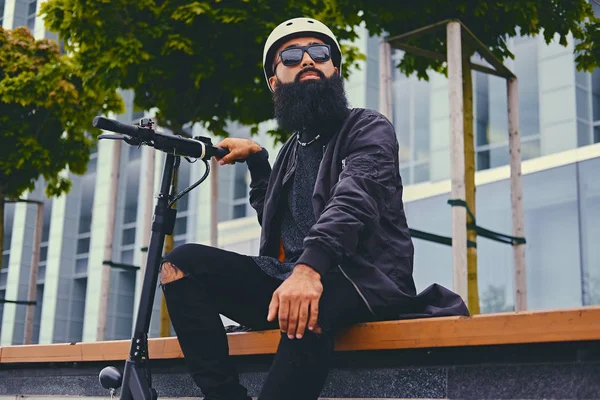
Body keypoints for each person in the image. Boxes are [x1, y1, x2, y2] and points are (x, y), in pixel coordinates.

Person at [160, 17, 468, 400]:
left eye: (319, 53)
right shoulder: (292, 150)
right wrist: (258, 160)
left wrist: (308, 269)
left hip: (362, 278)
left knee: (308, 306)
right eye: (291, 56)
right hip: (295, 276)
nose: (307, 60)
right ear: (275, 81)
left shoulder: (367, 127)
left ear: (333, 70)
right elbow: (278, 220)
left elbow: (355, 200)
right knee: (180, 263)